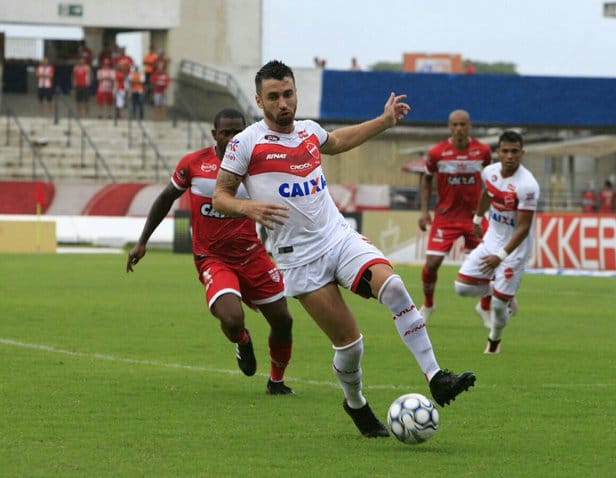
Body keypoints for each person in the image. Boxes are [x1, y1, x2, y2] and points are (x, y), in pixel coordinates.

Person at [212, 60, 476, 438]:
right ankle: (355, 404)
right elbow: (221, 196)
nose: (283, 103)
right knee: (350, 346)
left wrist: (384, 121)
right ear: (259, 100)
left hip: (337, 237)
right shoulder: (245, 143)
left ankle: (436, 377)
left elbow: (339, 141)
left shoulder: (308, 131)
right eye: (274, 97)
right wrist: (247, 206)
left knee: (396, 287)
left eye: (288, 94)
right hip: (298, 259)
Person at [126, 108, 295, 395]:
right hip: (213, 258)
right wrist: (143, 241)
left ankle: (276, 382)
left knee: (283, 320)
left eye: (237, 132)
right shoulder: (194, 164)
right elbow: (166, 197)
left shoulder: (256, 166)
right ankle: (242, 340)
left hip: (252, 255)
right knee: (231, 318)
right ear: (214, 134)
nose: (231, 138)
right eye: (225, 132)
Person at [454, 130, 540, 354]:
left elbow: (523, 227)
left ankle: (494, 341)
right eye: (505, 151)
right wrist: (478, 217)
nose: (510, 156)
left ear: (522, 153)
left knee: (499, 308)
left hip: (514, 249)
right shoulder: (490, 172)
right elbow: (487, 193)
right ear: (498, 152)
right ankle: (498, 291)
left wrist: (500, 256)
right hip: (492, 238)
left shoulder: (528, 186)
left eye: (515, 151)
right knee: (462, 287)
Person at [418, 109, 492, 322]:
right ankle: (428, 304)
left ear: (470, 126)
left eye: (463, 124)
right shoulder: (437, 153)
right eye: (455, 125)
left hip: (474, 217)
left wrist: (490, 210)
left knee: (489, 261)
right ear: (449, 127)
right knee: (432, 263)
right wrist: (424, 212)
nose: (459, 128)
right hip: (446, 217)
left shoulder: (483, 151)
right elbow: (426, 180)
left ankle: (484, 307)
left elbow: (491, 181)